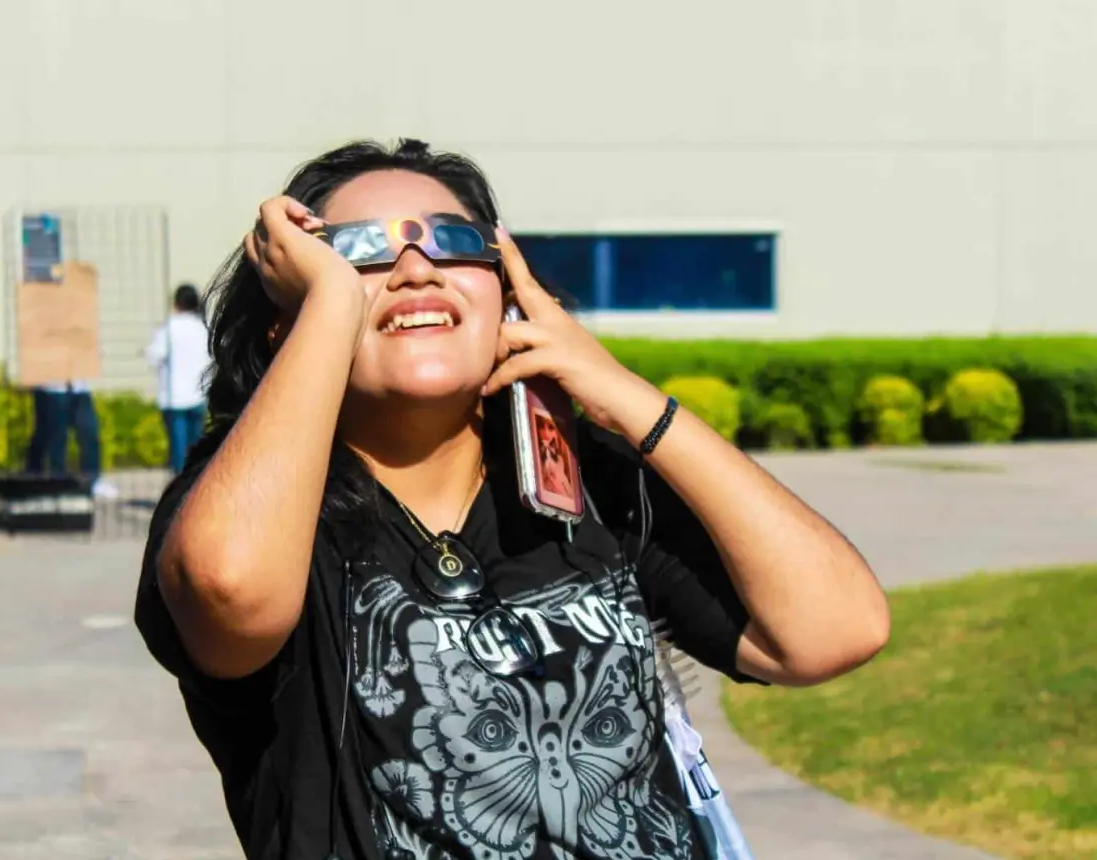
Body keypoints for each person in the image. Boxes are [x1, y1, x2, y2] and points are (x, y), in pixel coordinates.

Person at [135, 139, 891, 860]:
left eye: (452, 241)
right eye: (358, 252)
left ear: (507, 292)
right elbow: (229, 592)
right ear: (290, 313)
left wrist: (626, 401)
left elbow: (836, 629)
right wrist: (332, 309)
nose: (414, 266)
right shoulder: (253, 512)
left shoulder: (585, 484)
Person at [145, 282, 210, 474]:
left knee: (179, 452)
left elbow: (154, 355)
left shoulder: (169, 328)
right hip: (198, 395)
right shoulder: (202, 327)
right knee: (196, 449)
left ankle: (181, 496)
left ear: (177, 303)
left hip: (174, 398)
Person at [25, 380, 118, 499]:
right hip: (52, 388)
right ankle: (57, 482)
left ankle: (92, 481)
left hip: (80, 388)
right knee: (57, 438)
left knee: (89, 432)